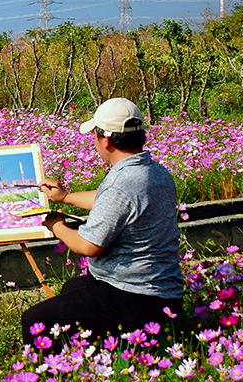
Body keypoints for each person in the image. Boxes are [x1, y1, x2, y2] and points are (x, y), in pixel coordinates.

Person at [21, 97, 184, 349]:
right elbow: (109, 200)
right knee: (72, 287)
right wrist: (65, 197)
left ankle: (53, 377)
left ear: (105, 140)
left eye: (95, 135)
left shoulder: (122, 183)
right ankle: (98, 351)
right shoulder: (155, 172)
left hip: (133, 296)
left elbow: (89, 246)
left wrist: (57, 226)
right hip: (164, 291)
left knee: (34, 320)